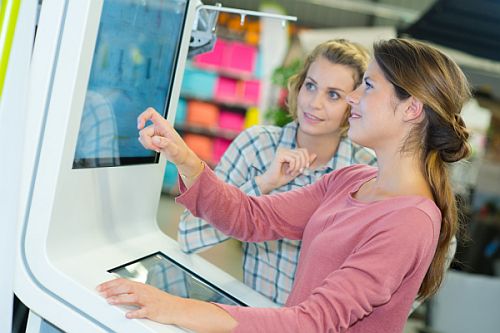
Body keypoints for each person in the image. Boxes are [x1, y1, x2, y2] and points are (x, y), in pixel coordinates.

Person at [98, 38, 471, 332]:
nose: (353, 99)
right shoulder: (351, 180)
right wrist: (185, 158)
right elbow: (250, 217)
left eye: (368, 86)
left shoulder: (409, 222)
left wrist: (176, 307)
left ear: (412, 109)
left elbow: (311, 323)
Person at [177, 39, 376, 306]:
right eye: (311, 86)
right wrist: (263, 184)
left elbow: (415, 259)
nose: (314, 103)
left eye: (333, 95)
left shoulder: (366, 171)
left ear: (354, 105)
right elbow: (189, 234)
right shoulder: (257, 146)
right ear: (299, 86)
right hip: (256, 315)